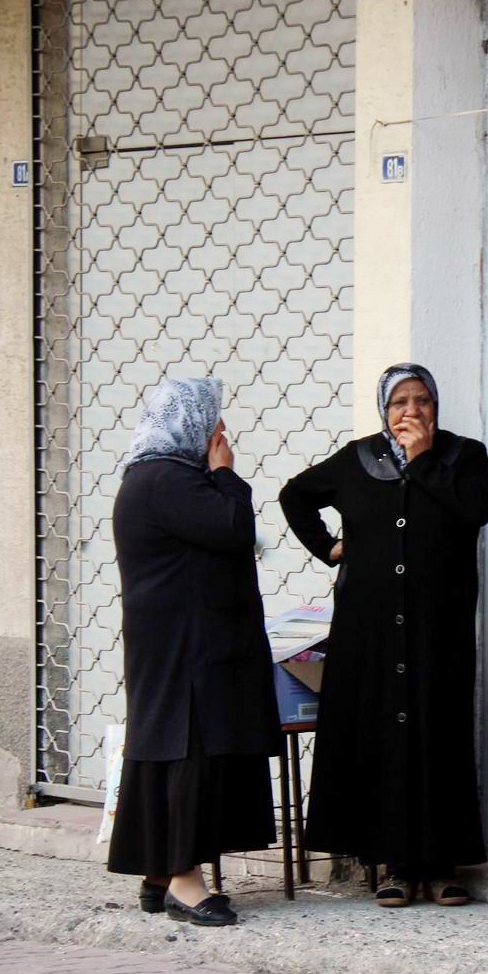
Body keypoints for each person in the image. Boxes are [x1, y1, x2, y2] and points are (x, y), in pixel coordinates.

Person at [280, 363, 488, 908]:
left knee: (436, 734)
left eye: (422, 400)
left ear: (435, 407)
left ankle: (443, 864)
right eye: (399, 402)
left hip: (435, 627)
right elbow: (294, 495)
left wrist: (422, 462)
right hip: (368, 629)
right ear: (384, 409)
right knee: (385, 738)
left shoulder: (462, 456)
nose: (411, 412)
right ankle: (394, 865)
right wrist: (328, 548)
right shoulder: (357, 459)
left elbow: (476, 511)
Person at [107, 375, 282, 927]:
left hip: (179, 643)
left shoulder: (156, 477)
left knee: (170, 747)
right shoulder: (167, 480)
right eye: (214, 420)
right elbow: (234, 528)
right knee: (189, 750)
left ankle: (159, 873)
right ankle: (185, 880)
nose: (222, 432)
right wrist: (227, 473)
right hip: (186, 648)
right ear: (191, 423)